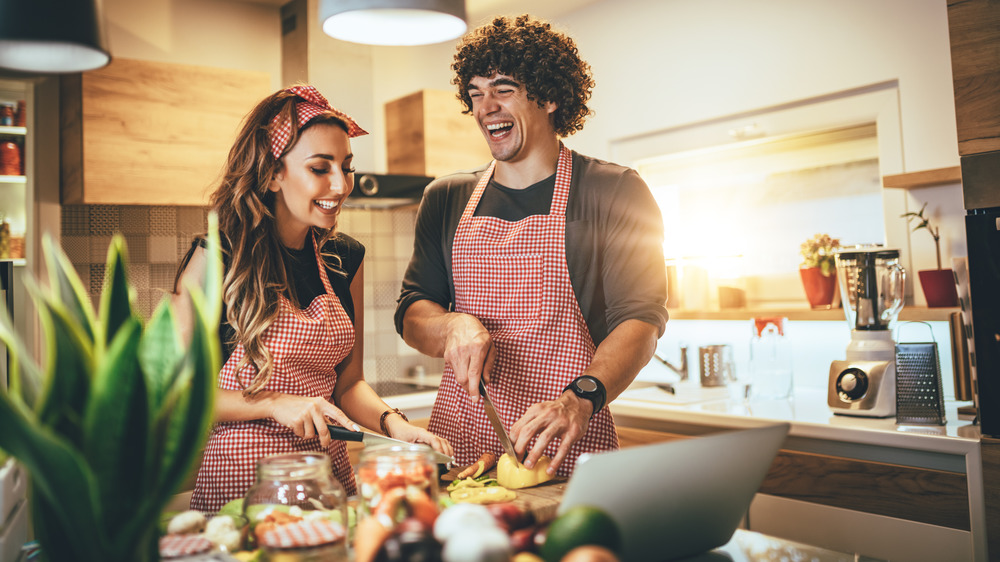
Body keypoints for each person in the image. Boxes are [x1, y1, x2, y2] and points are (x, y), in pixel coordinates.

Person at [395, 15, 668, 477]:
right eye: (476, 93)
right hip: (460, 451)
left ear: (551, 95)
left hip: (567, 444)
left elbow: (640, 320)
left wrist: (579, 399)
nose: (486, 108)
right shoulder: (446, 197)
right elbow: (412, 312)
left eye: (503, 89)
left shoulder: (613, 190)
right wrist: (452, 326)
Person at [174, 85, 453, 513]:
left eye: (346, 167)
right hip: (244, 489)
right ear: (272, 173)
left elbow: (349, 385)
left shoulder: (345, 259)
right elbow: (177, 394)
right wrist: (272, 404)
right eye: (320, 168)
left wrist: (396, 426)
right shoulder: (216, 259)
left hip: (328, 481)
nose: (341, 185)